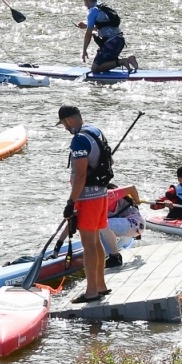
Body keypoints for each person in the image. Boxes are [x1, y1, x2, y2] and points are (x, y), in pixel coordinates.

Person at [58, 105, 115, 303]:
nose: (65, 128)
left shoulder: (79, 140)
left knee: (88, 244)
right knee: (95, 240)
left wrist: (71, 201)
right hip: (101, 194)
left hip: (87, 198)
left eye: (64, 124)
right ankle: (100, 285)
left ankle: (91, 292)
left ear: (69, 120)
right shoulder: (95, 131)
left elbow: (81, 174)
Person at [79, 0, 138, 73]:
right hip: (119, 40)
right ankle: (130, 58)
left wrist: (84, 50)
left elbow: (88, 35)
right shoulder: (103, 7)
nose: (85, 4)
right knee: (105, 62)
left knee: (95, 69)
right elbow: (104, 26)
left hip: (111, 43)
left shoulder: (92, 12)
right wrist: (86, 26)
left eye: (84, 2)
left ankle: (122, 61)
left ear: (88, 1)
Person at [100, 186, 145, 267]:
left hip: (136, 224)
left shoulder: (108, 195)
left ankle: (115, 257)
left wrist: (137, 200)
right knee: (98, 227)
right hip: (129, 226)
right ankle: (107, 254)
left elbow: (132, 188)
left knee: (102, 224)